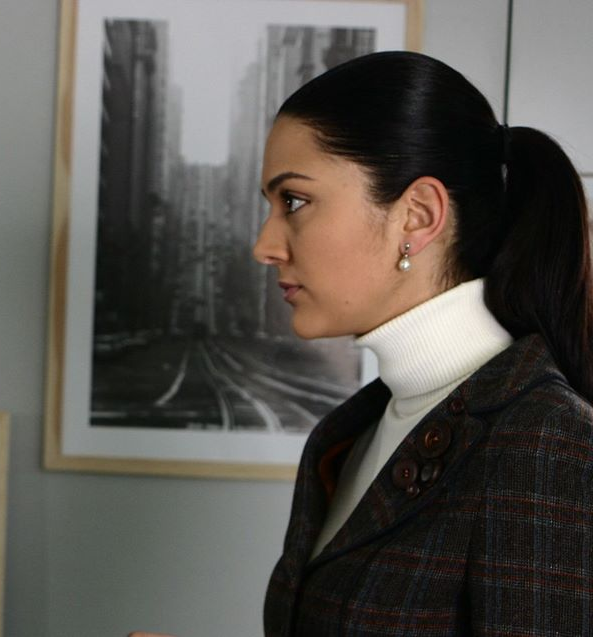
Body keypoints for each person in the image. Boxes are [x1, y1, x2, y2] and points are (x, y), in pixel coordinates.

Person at [132, 50, 592, 636]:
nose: (264, 245)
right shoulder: (350, 434)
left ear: (417, 216)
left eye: (293, 202)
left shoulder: (549, 445)